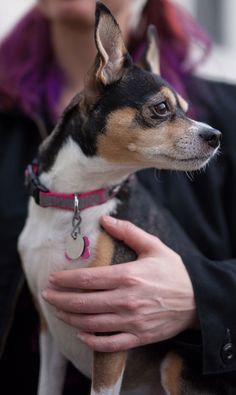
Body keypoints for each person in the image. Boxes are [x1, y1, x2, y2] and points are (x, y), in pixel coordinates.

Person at [0, 0, 236, 393]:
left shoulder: (229, 114)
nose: (191, 128)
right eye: (160, 110)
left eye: (170, 109)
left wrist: (201, 294)